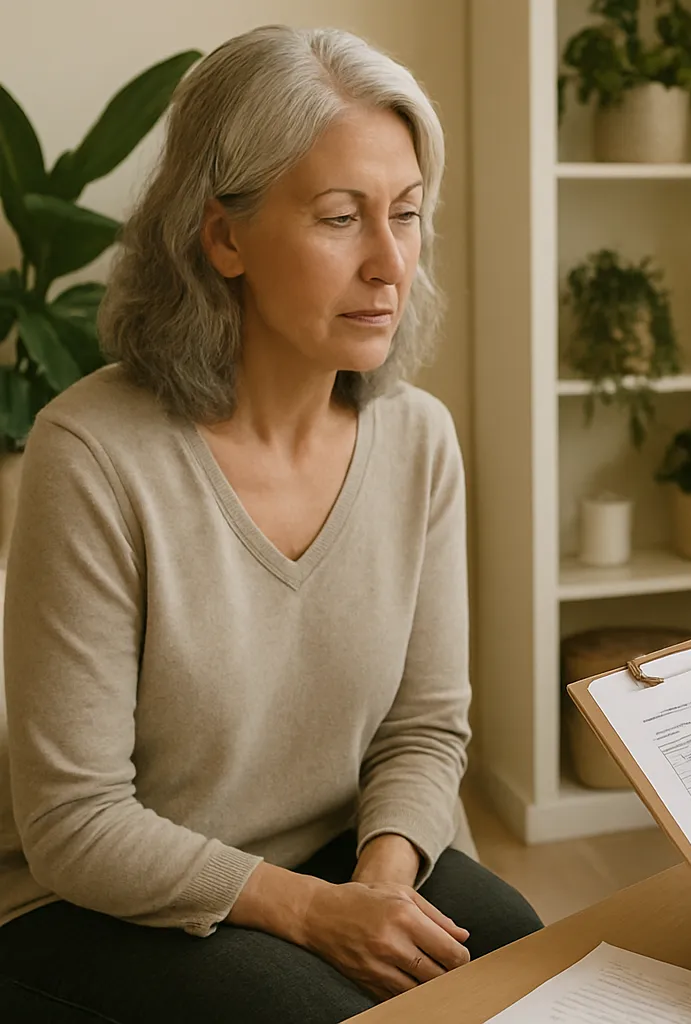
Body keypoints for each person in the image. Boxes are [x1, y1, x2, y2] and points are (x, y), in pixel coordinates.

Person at [0, 25, 540, 1022]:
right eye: (342, 217)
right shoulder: (91, 455)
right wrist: (312, 914)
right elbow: (75, 822)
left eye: (408, 214)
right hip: (97, 903)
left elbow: (425, 728)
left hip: (340, 857)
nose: (391, 263)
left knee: (536, 968)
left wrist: (377, 886)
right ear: (224, 236)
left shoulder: (419, 439)